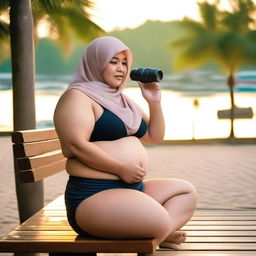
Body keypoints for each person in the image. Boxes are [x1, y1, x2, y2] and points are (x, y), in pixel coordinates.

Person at [54, 36, 197, 249]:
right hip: (93, 196)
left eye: (124, 62)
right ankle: (161, 230)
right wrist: (120, 168)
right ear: (96, 62)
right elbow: (74, 145)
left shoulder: (121, 99)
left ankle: (159, 235)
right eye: (113, 61)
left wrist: (153, 101)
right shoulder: (78, 97)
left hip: (131, 190)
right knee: (160, 219)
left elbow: (154, 136)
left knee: (186, 192)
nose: (121, 68)